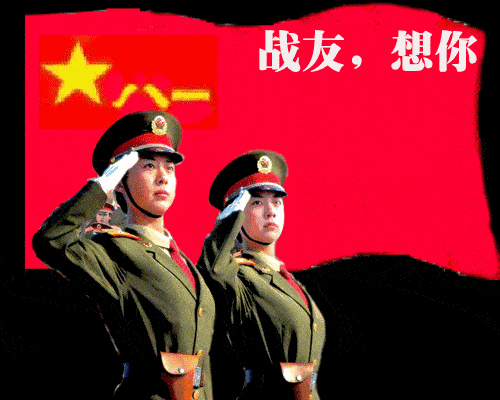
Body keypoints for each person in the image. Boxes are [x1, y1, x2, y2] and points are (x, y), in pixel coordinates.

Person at [32, 111, 215, 400]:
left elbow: (200, 368)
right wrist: (102, 185)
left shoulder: (184, 263)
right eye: (148, 166)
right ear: (120, 181)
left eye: (169, 168)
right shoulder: (114, 251)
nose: (163, 178)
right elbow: (52, 239)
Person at [197, 150, 326, 400]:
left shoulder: (288, 279)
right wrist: (229, 220)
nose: (270, 211)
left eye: (276, 201)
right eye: (256, 202)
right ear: (235, 213)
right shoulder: (239, 276)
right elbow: (213, 270)